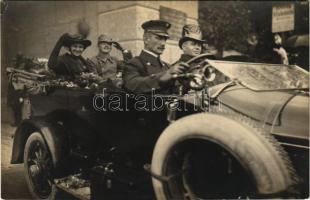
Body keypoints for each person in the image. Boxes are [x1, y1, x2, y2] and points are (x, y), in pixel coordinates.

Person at [123, 20, 188, 94]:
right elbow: (133, 85)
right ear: (146, 39)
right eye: (159, 38)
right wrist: (164, 76)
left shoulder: (167, 66)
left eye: (165, 39)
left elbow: (176, 91)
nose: (163, 43)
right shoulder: (134, 63)